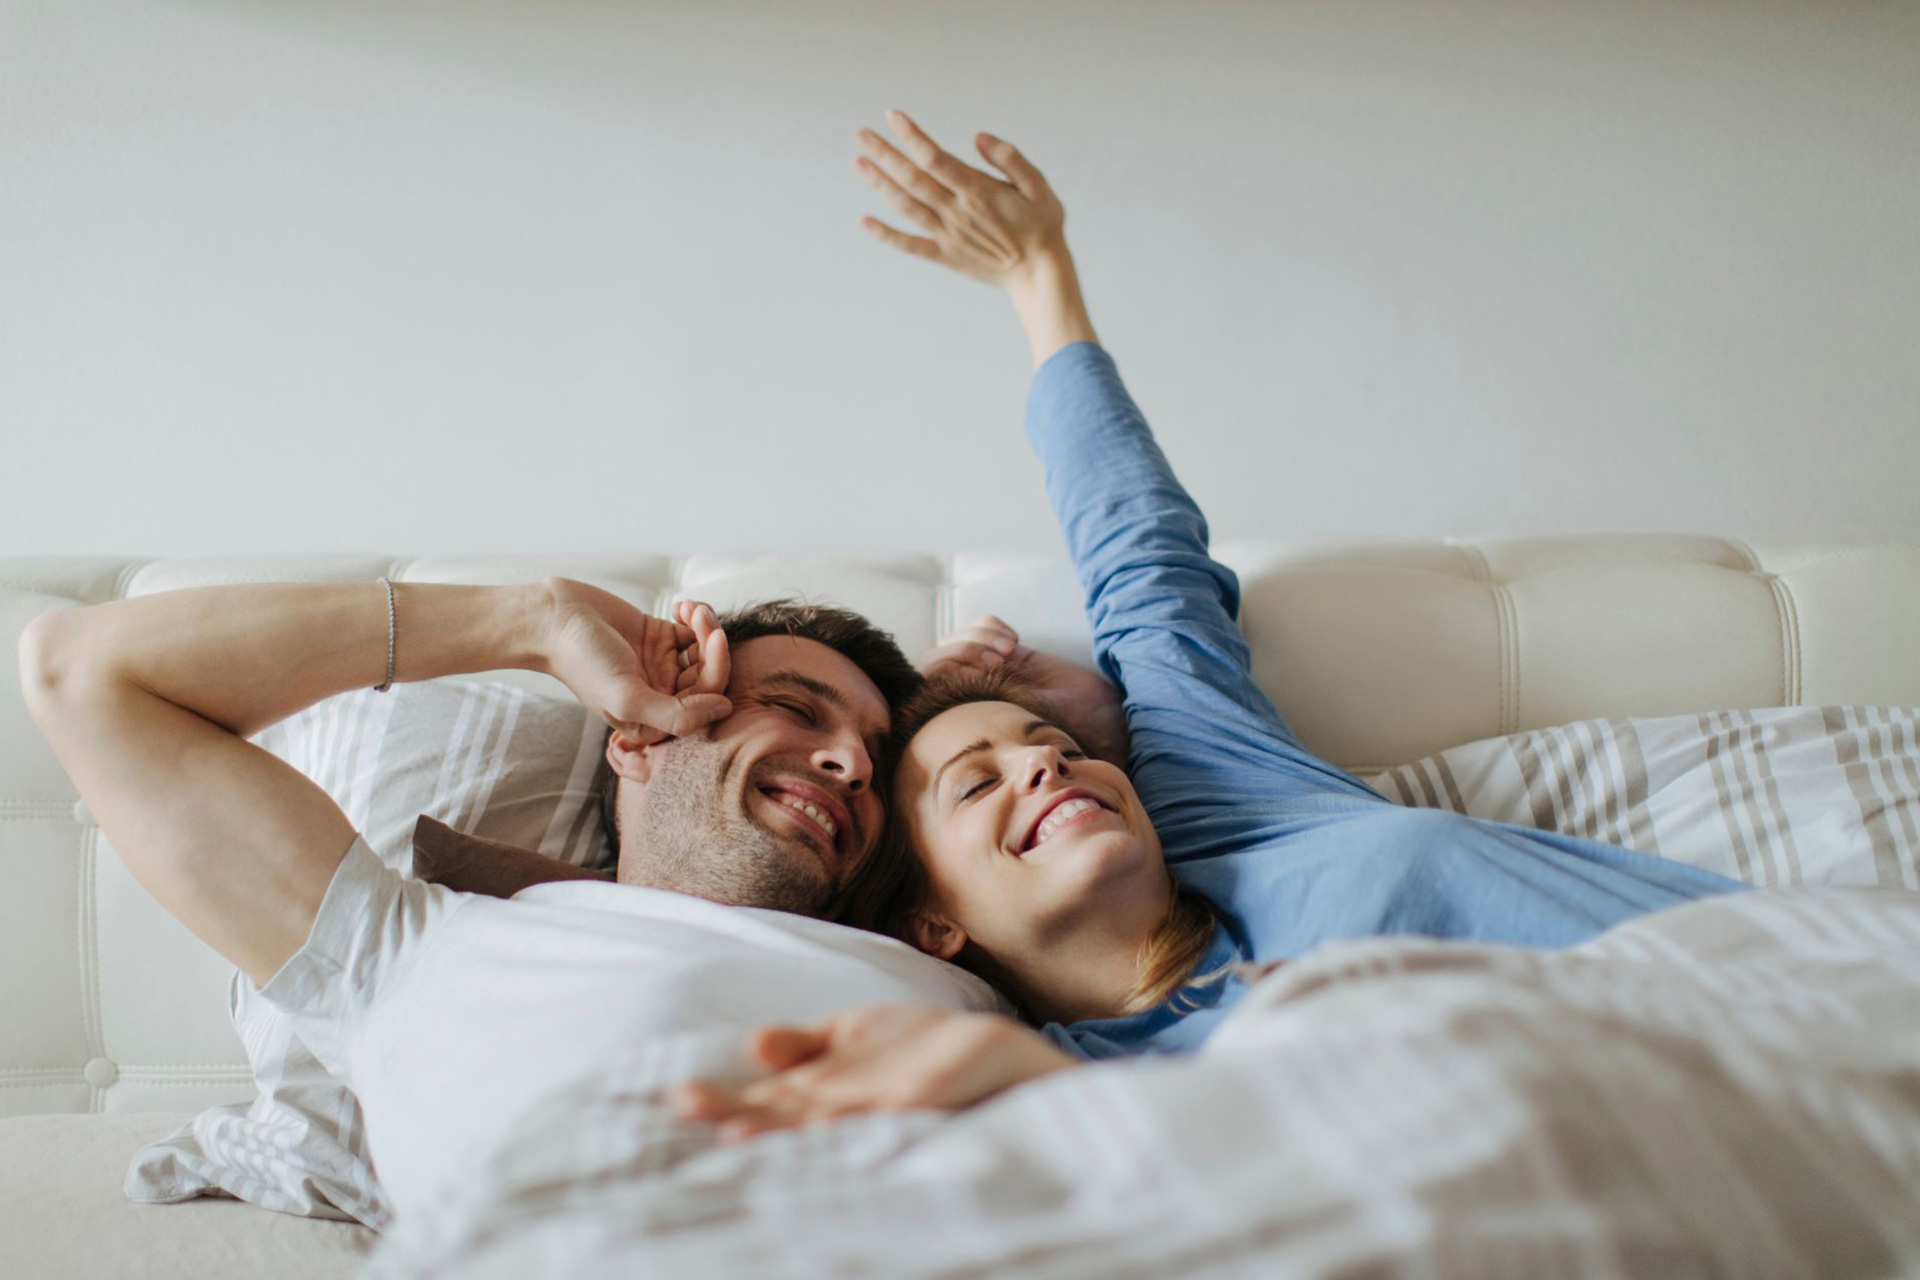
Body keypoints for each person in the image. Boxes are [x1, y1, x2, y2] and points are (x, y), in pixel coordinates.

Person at [672, 109, 1750, 1140]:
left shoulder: (1225, 801)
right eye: (977, 782)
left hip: (1781, 995)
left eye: (1050, 747)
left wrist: (1039, 281)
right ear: (933, 924)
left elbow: (1140, 554)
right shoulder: (1068, 1091)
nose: (1046, 768)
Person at [18, 579, 1006, 1221]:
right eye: (795, 707)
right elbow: (79, 670)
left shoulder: (949, 948)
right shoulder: (400, 945)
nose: (850, 764)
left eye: (878, 763)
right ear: (639, 735)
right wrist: (532, 623)